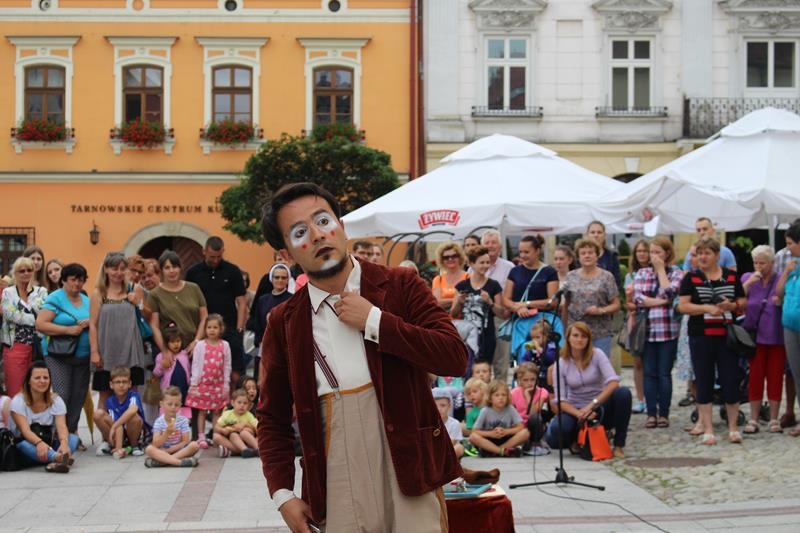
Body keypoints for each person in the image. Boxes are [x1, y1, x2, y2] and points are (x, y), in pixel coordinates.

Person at [257, 182, 467, 532]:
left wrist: (376, 322)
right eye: (300, 232)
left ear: (341, 227)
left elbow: (454, 357)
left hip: (410, 464)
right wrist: (282, 493)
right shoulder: (284, 322)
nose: (318, 235)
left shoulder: (400, 285)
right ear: (287, 255)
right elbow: (272, 417)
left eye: (323, 221)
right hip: (333, 473)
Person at [677, 237, 745, 445]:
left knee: (730, 380)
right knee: (703, 380)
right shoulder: (691, 278)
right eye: (699, 254)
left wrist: (731, 306)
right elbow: (682, 306)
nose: (702, 257)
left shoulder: (731, 276)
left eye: (707, 253)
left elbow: (742, 301)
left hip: (727, 336)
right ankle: (708, 429)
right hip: (701, 336)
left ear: (717, 255)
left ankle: (733, 428)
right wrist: (706, 308)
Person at [544, 322, 631, 458]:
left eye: (583, 336)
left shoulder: (597, 354)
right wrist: (580, 413)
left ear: (589, 339)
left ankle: (619, 444)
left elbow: (613, 382)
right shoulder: (561, 363)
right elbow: (560, 400)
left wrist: (591, 405)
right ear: (568, 338)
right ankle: (576, 440)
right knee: (557, 433)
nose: (579, 339)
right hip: (575, 408)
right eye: (575, 335)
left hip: (599, 404)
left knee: (623, 393)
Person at [35, 263, 91, 438]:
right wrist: (68, 330)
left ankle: (72, 433)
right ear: (64, 280)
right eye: (73, 280)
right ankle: (58, 433)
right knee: (62, 394)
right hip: (58, 355)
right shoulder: (55, 298)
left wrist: (90, 322)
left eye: (81, 280)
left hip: (83, 356)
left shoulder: (87, 300)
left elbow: (98, 320)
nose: (77, 284)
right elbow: (41, 324)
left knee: (78, 396)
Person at [633, 236, 683, 429]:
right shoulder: (642, 273)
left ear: (667, 253)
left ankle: (664, 413)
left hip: (667, 330)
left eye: (657, 252)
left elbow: (671, 292)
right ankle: (651, 413)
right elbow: (639, 298)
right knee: (649, 373)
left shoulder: (676, 273)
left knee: (664, 373)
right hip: (647, 330)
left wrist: (661, 270)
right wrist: (662, 302)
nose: (653, 256)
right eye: (651, 252)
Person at [185, 237, 247, 387]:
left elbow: (241, 301)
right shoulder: (193, 273)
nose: (215, 260)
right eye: (212, 257)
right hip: (202, 329)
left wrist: (239, 329)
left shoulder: (233, 271)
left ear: (223, 252)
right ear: (204, 251)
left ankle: (235, 399)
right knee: (202, 369)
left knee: (235, 372)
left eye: (219, 256)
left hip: (229, 328)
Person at [89, 252, 147, 409]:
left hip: (131, 350)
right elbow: (93, 324)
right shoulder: (98, 293)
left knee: (132, 395)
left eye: (122, 269)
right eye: (114, 268)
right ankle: (107, 426)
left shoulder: (134, 289)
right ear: (106, 269)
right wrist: (94, 351)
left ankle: (131, 425)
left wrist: (139, 303)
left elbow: (148, 315)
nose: (119, 273)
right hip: (106, 351)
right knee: (105, 397)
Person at [741, 245, 785, 434]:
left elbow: (787, 298)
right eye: (756, 263)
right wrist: (749, 283)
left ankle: (774, 418)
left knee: (775, 377)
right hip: (754, 337)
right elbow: (736, 299)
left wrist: (780, 301)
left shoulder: (780, 279)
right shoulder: (747, 278)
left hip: (776, 336)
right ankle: (753, 418)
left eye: (763, 263)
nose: (759, 266)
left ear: (772, 263)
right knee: (755, 377)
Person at [9, 361, 79, 473]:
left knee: (73, 439)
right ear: (29, 381)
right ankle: (58, 458)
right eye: (37, 378)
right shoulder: (18, 401)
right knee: (23, 444)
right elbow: (25, 431)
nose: (42, 381)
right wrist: (39, 443)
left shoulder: (56, 400)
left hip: (48, 443)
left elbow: (62, 427)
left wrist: (64, 443)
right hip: (27, 445)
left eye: (46, 378)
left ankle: (54, 461)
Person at [562, 239, 621, 357]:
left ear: (597, 255)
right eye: (583, 253)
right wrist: (565, 330)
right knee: (577, 364)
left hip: (600, 332)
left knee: (599, 365)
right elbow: (566, 304)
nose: (587, 256)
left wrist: (601, 310)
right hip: (576, 331)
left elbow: (616, 304)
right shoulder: (570, 276)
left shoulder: (607, 276)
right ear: (578, 257)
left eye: (590, 252)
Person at [147, 250, 208, 357]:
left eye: (174, 267)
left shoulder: (194, 288)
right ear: (161, 271)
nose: (171, 271)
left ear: (180, 268)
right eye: (167, 268)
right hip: (172, 351)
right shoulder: (154, 294)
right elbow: (154, 326)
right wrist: (165, 351)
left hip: (196, 348)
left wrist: (196, 342)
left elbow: (204, 317)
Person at [2, 257, 48, 397]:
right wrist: (35, 319)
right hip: (14, 346)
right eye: (21, 271)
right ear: (15, 273)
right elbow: (10, 315)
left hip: (38, 346)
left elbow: (43, 313)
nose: (26, 273)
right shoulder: (8, 292)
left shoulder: (41, 291)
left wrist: (29, 294)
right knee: (16, 390)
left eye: (29, 270)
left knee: (37, 390)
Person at [185, 314, 230, 449]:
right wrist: (194, 383)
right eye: (209, 327)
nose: (212, 330)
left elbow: (227, 365)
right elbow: (196, 364)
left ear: (221, 329)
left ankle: (216, 435)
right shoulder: (200, 345)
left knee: (217, 412)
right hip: (202, 385)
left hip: (218, 385)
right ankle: (201, 437)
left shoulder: (225, 345)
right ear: (205, 329)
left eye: (215, 327)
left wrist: (226, 384)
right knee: (202, 411)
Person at [452, 246, 504, 362]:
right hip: (466, 337)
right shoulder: (462, 286)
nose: (485, 265)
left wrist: (490, 302)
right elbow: (453, 314)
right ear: (471, 263)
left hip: (486, 336)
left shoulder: (494, 285)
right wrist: (459, 303)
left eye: (487, 262)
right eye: (482, 263)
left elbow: (501, 313)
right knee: (467, 368)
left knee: (484, 368)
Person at [480, 229, 514, 384]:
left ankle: (500, 393)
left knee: (501, 361)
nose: (490, 245)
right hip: (480, 319)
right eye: (487, 243)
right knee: (482, 362)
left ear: (500, 246)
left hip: (501, 318)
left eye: (494, 242)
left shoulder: (509, 267)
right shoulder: (473, 268)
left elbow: (511, 294)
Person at [93, 366, 147, 458]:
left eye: (124, 382)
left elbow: (133, 410)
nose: (121, 385)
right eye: (118, 382)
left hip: (133, 430)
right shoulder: (110, 401)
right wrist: (118, 447)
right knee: (98, 414)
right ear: (111, 385)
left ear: (130, 384)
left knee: (134, 417)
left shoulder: (133, 395)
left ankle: (134, 445)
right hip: (119, 433)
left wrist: (115, 426)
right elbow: (117, 425)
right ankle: (113, 444)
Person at [253, 263, 294, 384]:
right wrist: (260, 341)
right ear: (271, 279)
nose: (280, 280)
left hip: (285, 346)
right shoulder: (263, 300)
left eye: (283, 277)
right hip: (266, 345)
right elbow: (258, 322)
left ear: (288, 280)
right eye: (277, 277)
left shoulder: (292, 299)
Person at [777, 221, 800, 437]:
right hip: (790, 324)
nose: (788, 247)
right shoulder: (790, 264)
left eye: (791, 243)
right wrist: (785, 273)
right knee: (796, 372)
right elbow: (779, 293)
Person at [468, 379, 529, 457]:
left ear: (508, 396)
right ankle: (503, 451)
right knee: (473, 437)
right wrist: (491, 434)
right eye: (497, 395)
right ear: (490, 398)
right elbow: (474, 431)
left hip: (506, 439)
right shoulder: (485, 411)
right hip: (490, 439)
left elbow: (521, 427)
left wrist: (506, 431)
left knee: (525, 433)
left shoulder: (510, 409)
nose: (501, 398)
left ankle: (494, 451)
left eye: (503, 395)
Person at [144, 385, 199, 468]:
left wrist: (169, 451)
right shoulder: (159, 422)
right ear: (161, 404)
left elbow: (185, 441)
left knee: (194, 445)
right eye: (169, 404)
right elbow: (155, 443)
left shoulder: (183, 420)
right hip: (163, 451)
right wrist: (166, 433)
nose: (173, 407)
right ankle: (179, 462)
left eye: (176, 405)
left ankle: (162, 462)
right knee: (149, 449)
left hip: (179, 451)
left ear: (180, 405)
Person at [624, 239, 650, 414]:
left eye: (644, 251)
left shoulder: (657, 273)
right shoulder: (630, 276)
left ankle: (653, 398)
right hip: (636, 319)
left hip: (653, 319)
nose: (641, 254)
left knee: (652, 362)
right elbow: (628, 303)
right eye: (639, 251)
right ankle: (641, 399)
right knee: (638, 361)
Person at [510, 362, 549, 455]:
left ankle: (536, 443)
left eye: (532, 380)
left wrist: (528, 396)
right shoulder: (513, 393)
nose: (529, 383)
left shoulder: (542, 392)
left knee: (535, 418)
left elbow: (533, 413)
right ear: (519, 381)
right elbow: (511, 414)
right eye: (525, 380)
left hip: (535, 425)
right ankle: (524, 443)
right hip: (519, 426)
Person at [151, 326, 191, 416]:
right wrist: (162, 366)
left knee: (183, 417)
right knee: (167, 415)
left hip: (184, 391)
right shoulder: (161, 356)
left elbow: (189, 371)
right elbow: (156, 374)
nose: (176, 344)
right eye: (172, 342)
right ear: (166, 343)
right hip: (168, 392)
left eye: (178, 341)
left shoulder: (185, 354)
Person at [213, 388, 259, 458]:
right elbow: (216, 427)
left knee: (244, 433)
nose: (242, 405)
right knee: (217, 437)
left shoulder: (248, 415)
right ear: (232, 403)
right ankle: (245, 450)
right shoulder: (227, 414)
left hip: (247, 440)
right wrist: (223, 430)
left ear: (249, 405)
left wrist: (246, 425)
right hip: (232, 440)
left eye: (245, 403)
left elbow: (257, 427)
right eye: (239, 402)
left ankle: (257, 449)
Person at [432, 242, 468, 311]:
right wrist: (458, 300)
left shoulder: (468, 277)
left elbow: (470, 301)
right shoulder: (438, 279)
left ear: (460, 257)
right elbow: (437, 303)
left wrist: (446, 301)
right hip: (443, 316)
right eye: (446, 257)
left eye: (454, 256)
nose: (450, 259)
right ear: (441, 260)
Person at [585, 221, 621, 288]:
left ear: (604, 235)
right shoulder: (579, 256)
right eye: (592, 232)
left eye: (599, 232)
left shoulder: (612, 256)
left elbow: (616, 282)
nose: (596, 235)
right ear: (587, 235)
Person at [433, 388, 464, 459]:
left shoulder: (454, 423)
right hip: (432, 451)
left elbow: (451, 443)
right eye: (435, 406)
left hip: (447, 450)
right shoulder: (427, 424)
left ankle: (445, 462)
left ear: (449, 406)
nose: (439, 409)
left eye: (443, 405)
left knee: (459, 448)